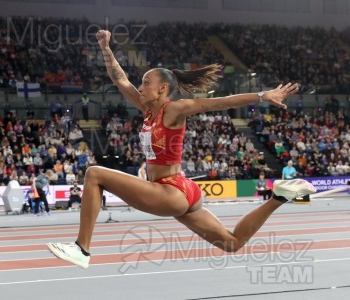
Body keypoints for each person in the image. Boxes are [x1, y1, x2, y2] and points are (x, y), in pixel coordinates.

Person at [46, 30, 316, 269]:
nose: (139, 87)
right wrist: (106, 49)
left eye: (145, 83)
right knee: (232, 243)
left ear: (163, 89)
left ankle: (82, 249)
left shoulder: (174, 109)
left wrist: (262, 96)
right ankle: (279, 197)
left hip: (170, 190)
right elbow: (120, 79)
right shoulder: (147, 110)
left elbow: (218, 103)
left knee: (94, 174)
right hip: (182, 191)